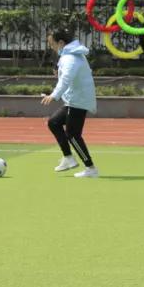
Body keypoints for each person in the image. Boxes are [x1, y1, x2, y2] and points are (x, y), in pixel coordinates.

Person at [41, 28, 98, 178]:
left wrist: (54, 95)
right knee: (53, 122)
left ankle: (90, 168)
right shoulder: (70, 55)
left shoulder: (71, 58)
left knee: (73, 134)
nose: (52, 47)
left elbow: (67, 79)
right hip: (74, 99)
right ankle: (68, 158)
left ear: (61, 42)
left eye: (52, 44)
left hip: (78, 101)